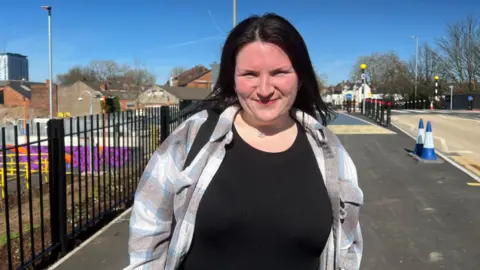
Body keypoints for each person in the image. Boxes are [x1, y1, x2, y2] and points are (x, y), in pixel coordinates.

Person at [126, 13, 363, 270]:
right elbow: (147, 233)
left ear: (300, 77)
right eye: (249, 74)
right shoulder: (192, 137)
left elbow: (347, 248)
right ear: (232, 79)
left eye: (279, 72)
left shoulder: (329, 151)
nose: (264, 89)